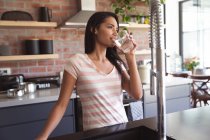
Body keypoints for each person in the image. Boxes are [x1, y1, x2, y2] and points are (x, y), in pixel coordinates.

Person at [36, 11, 143, 140]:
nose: (115, 32)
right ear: (94, 29)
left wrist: (130, 58)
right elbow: (61, 105)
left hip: (122, 132)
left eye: (117, 29)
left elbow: (137, 95)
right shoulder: (77, 62)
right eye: (110, 27)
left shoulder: (117, 64)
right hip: (95, 135)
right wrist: (43, 136)